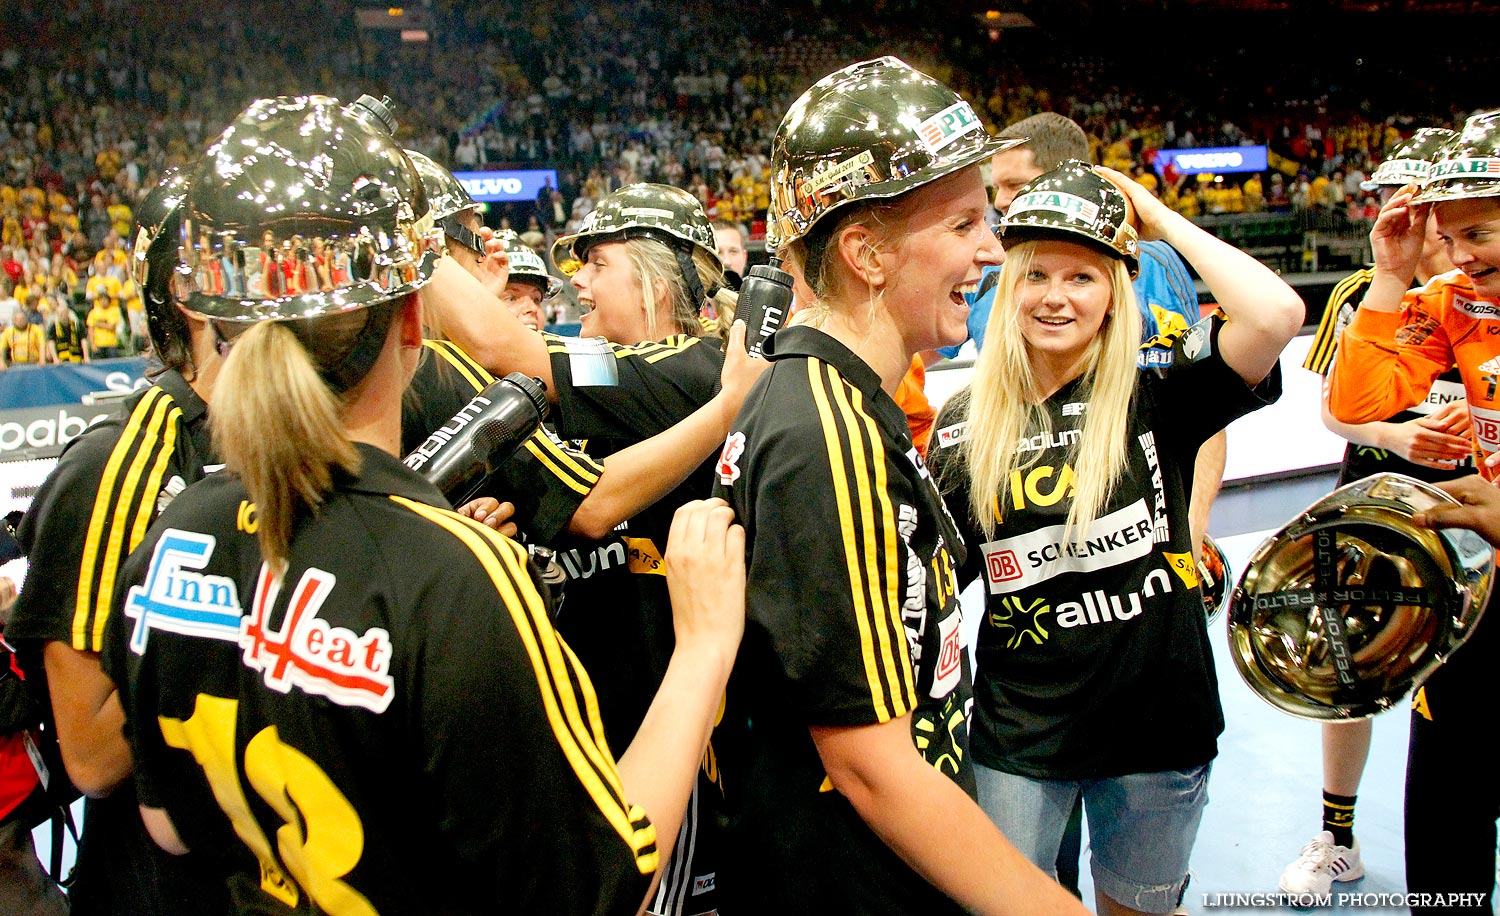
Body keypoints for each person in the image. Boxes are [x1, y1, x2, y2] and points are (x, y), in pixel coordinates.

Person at [103, 94, 743, 916]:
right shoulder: (454, 576)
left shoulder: (173, 541)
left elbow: (170, 824)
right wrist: (703, 647)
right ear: (412, 324)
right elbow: (594, 883)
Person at [710, 56, 1088, 916]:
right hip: (855, 879)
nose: (993, 249)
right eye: (963, 225)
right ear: (866, 251)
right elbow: (870, 768)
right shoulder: (827, 436)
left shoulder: (842, 400)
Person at [929, 160, 1301, 916]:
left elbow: (1275, 315)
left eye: (1082, 278)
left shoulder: (1161, 391)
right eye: (1035, 276)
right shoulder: (965, 422)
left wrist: (1158, 220)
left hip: (1159, 728)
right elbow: (934, 585)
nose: (1055, 297)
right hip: (1022, 737)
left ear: (1114, 295)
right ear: (1008, 291)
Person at [420, 180, 754, 916]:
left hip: (656, 723)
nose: (577, 281)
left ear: (653, 272)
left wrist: (410, 233)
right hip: (587, 719)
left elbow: (516, 353)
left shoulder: (690, 367)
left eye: (596, 262)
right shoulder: (627, 374)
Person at [3, 167, 230, 915]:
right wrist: (255, 645)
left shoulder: (283, 441)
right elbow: (95, 755)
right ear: (196, 295)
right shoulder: (118, 464)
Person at [1283, 126, 1471, 899]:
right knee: (1348, 670)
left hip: (1467, 521)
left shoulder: (1478, 295)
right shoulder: (1363, 291)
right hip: (1372, 508)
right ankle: (1337, 835)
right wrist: (1394, 431)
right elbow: (1336, 408)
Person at [1326, 109, 1500, 914]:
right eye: (1450, 234)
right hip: (1482, 603)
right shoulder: (1453, 303)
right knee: (1446, 840)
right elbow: (1358, 401)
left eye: (1481, 232)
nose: (1461, 255)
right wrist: (1392, 277)